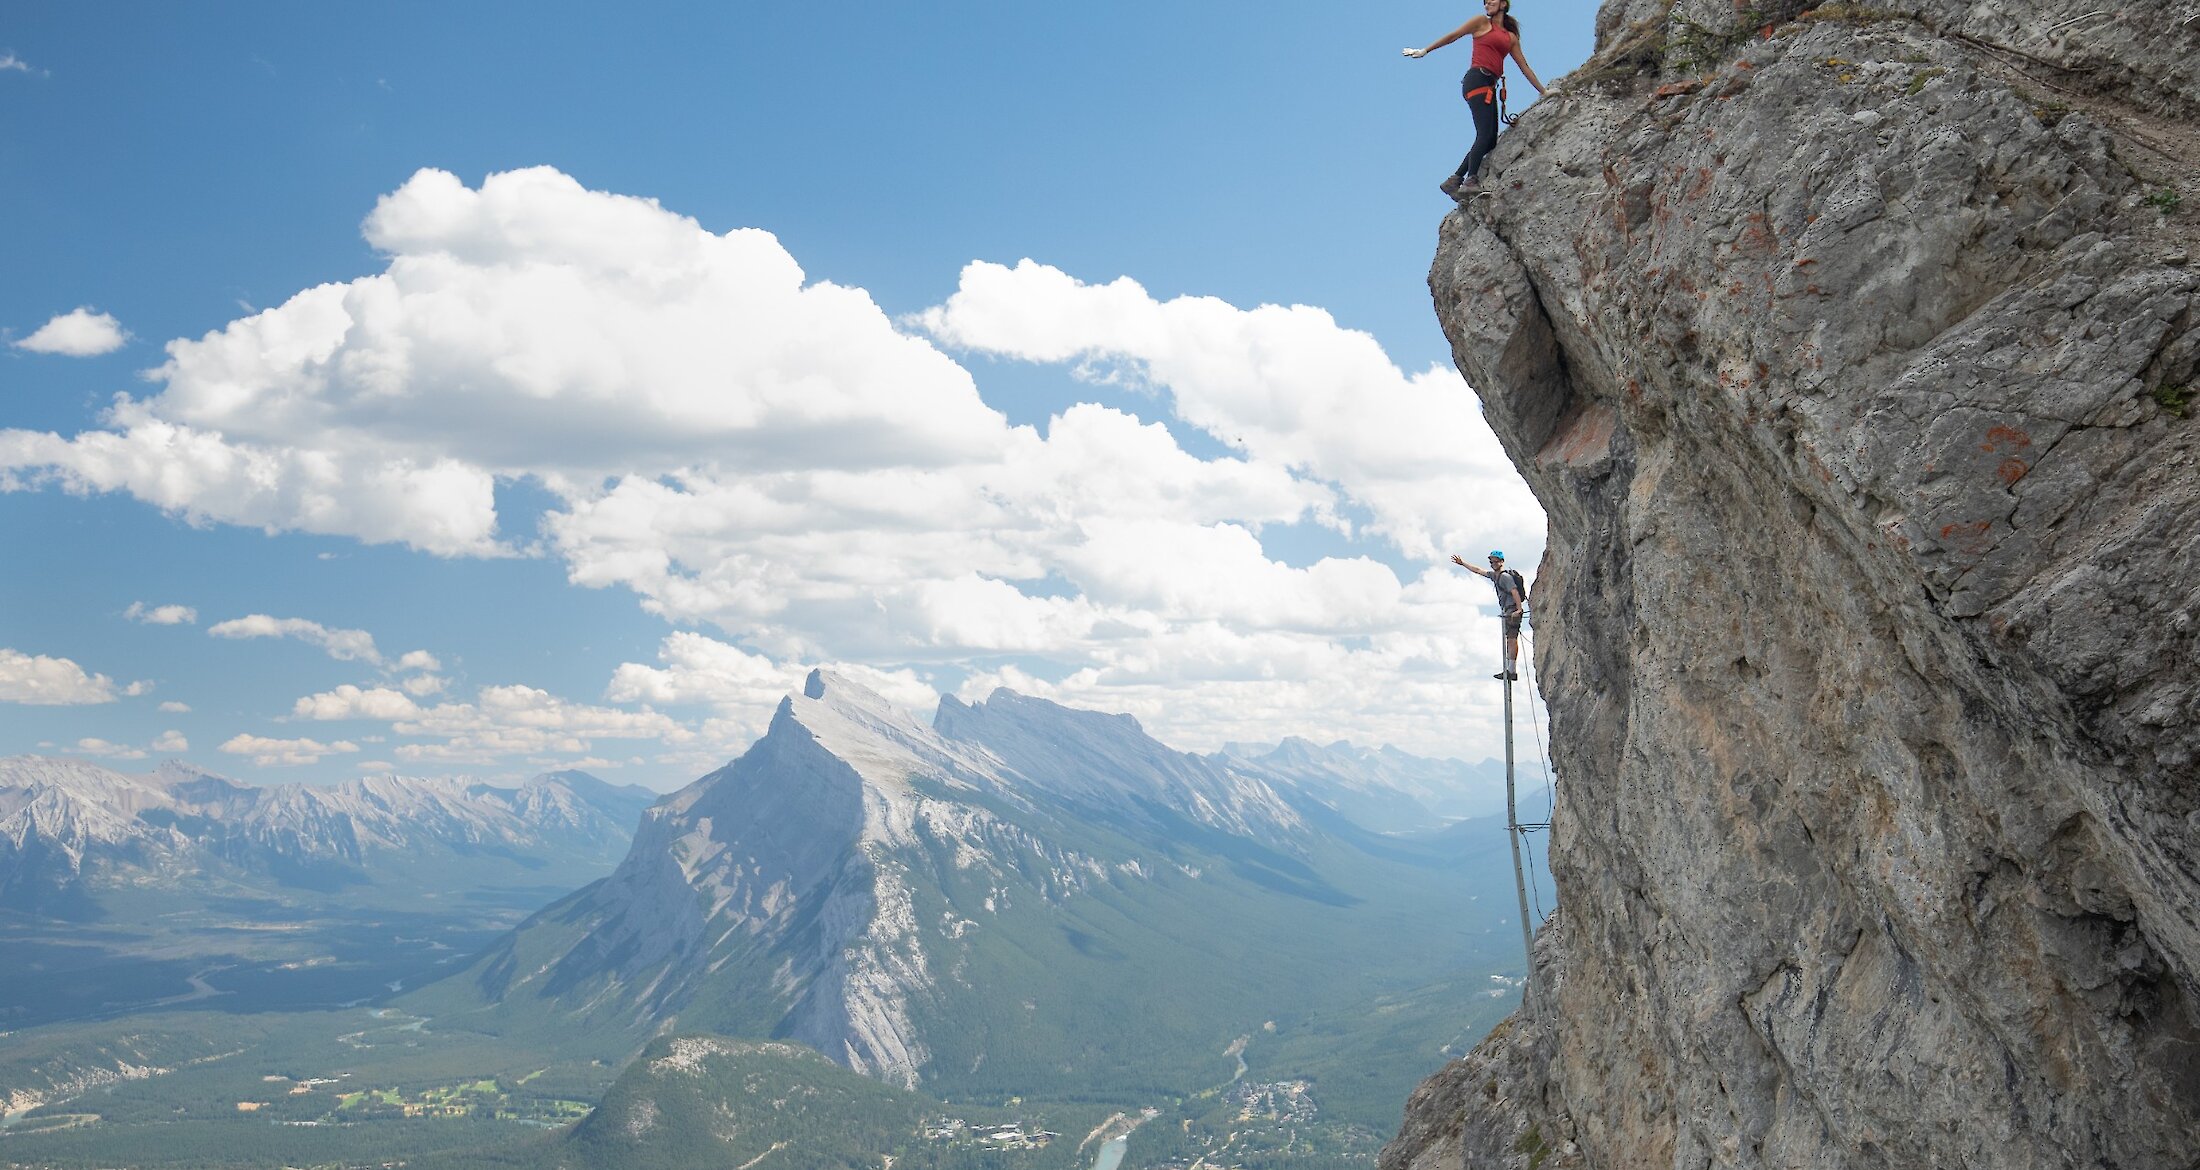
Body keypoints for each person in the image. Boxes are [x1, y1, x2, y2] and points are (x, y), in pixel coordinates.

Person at [1403, 0, 1548, 198]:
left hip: (1489, 84)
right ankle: (1471, 180)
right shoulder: (1481, 22)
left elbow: (1524, 66)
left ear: (1503, 4)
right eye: (1485, 1)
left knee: (1490, 141)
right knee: (1484, 134)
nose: (1487, 4)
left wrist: (1543, 91)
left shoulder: (1510, 37)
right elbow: (1453, 35)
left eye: (1491, 0)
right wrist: (1425, 50)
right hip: (1477, 79)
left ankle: (1454, 180)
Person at [1452, 550, 1529, 680]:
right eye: (1491, 561)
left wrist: (1519, 609)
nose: (1493, 563)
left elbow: (1514, 591)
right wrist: (1463, 563)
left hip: (1511, 611)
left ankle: (1512, 671)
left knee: (1511, 639)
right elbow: (1478, 570)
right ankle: (1510, 670)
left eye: (1496, 561)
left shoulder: (1505, 577)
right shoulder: (1495, 576)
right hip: (1508, 611)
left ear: (1502, 561)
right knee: (1509, 639)